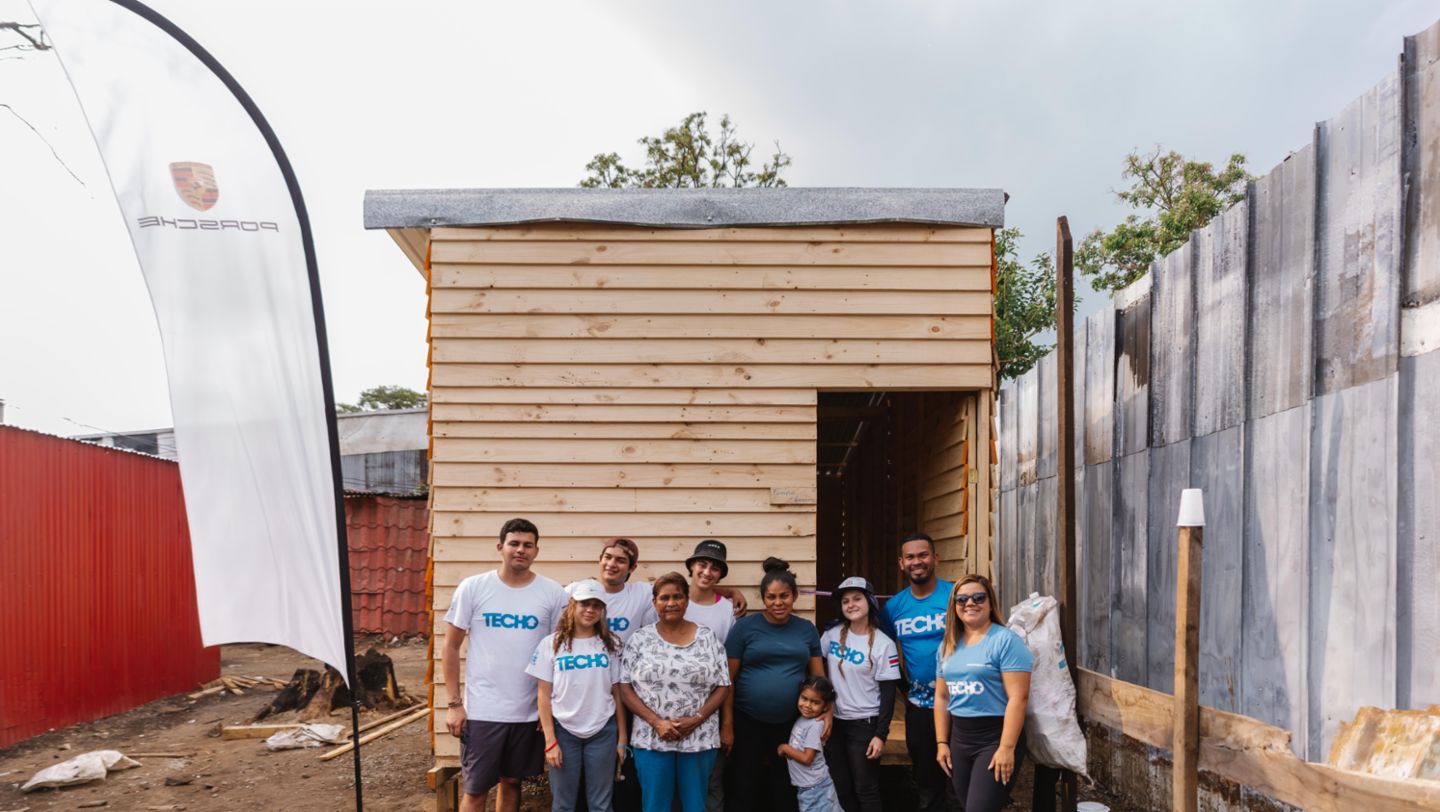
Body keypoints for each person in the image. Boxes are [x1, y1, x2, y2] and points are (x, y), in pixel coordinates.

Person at [443, 518, 569, 812]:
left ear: (537, 551)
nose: (520, 550)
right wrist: (453, 703)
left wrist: (546, 708)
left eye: (528, 545)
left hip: (527, 713)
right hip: (483, 711)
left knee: (512, 782)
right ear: (500, 547)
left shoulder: (552, 593)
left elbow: (558, 653)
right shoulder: (473, 588)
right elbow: (450, 646)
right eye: (514, 543)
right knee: (475, 789)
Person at [619, 572, 731, 812]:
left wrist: (696, 719)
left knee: (695, 805)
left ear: (687, 600)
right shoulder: (640, 639)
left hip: (699, 738)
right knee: (655, 806)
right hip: (652, 738)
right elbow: (624, 686)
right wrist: (656, 722)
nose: (671, 603)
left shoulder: (707, 637)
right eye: (664, 598)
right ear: (655, 603)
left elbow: (723, 684)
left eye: (677, 596)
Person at [725, 557, 824, 812]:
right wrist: (727, 723)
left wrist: (827, 714)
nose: (778, 603)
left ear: (794, 596)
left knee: (786, 784)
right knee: (743, 784)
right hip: (747, 719)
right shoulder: (744, 628)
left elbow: (819, 680)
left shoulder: (806, 629)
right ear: (763, 598)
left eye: (784, 596)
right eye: (771, 597)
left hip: (791, 721)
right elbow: (728, 679)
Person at [934, 574, 1033, 812]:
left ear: (990, 603)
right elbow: (942, 697)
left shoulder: (1006, 641)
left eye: (978, 597)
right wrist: (941, 742)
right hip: (959, 739)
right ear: (954, 605)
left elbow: (1018, 698)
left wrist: (1006, 747)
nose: (970, 603)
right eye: (962, 599)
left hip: (994, 738)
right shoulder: (947, 645)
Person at [529, 579, 628, 812]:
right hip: (564, 731)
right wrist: (550, 741)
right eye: (584, 603)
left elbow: (618, 692)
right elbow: (543, 695)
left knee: (601, 805)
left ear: (602, 610)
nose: (590, 610)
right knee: (563, 804)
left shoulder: (610, 644)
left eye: (596, 605)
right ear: (572, 605)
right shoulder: (551, 644)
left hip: (602, 731)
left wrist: (622, 738)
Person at [879, 532, 952, 812]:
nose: (917, 562)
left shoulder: (955, 595)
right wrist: (903, 687)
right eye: (910, 557)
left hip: (961, 703)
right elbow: (884, 650)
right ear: (901, 563)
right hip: (919, 706)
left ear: (935, 558)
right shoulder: (894, 607)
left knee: (959, 782)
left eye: (923, 555)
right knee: (927, 781)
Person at [819, 577, 901, 812]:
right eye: (845, 601)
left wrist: (881, 734)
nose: (851, 604)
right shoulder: (832, 634)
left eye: (857, 599)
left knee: (865, 788)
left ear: (870, 602)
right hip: (835, 723)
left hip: (865, 724)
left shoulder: (884, 644)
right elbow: (816, 666)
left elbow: (888, 693)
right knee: (841, 786)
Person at [682, 539, 736, 812]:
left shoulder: (727, 609)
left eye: (715, 568)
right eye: (702, 564)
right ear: (691, 566)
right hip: (669, 707)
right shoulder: (672, 598)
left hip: (711, 706)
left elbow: (726, 671)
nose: (707, 572)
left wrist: (727, 722)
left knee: (711, 781)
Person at [779, 676, 842, 812]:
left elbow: (807, 758)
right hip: (810, 787)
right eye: (804, 698)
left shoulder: (815, 726)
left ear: (825, 706)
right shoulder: (804, 718)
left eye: (815, 702)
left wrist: (785, 748)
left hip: (815, 789)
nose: (807, 705)